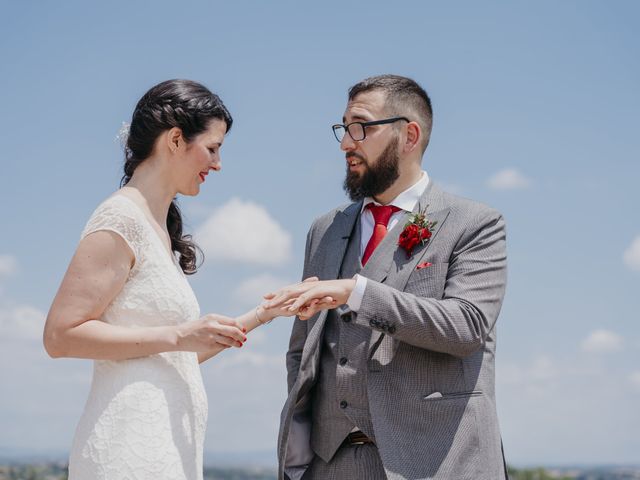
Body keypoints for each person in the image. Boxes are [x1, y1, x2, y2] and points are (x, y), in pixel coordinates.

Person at [43, 79, 294, 480]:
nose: (218, 164)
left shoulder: (157, 227)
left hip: (166, 449)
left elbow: (172, 355)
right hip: (128, 451)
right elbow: (59, 335)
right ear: (175, 140)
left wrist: (264, 313)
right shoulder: (121, 219)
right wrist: (177, 335)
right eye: (213, 149)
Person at [267, 75, 509, 480]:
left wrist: (356, 291)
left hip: (436, 464)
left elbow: (466, 326)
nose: (347, 143)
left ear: (408, 135)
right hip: (330, 464)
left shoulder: (476, 224)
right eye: (343, 128)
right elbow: (302, 350)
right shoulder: (322, 230)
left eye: (360, 127)